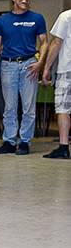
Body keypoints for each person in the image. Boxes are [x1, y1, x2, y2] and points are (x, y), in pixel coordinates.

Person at [0, 0, 49, 156]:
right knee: (9, 106)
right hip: (8, 65)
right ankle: (9, 141)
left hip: (29, 64)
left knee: (28, 107)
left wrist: (40, 63)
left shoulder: (37, 18)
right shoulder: (2, 21)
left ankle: (24, 141)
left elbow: (44, 42)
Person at [42, 8, 71, 159]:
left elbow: (57, 42)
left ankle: (64, 147)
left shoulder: (66, 16)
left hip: (67, 69)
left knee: (63, 109)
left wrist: (46, 68)